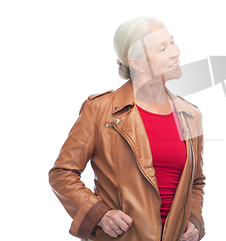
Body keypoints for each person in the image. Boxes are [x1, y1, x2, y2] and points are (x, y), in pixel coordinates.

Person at [49, 17, 205, 241]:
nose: (176, 52)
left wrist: (194, 221)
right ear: (137, 64)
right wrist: (100, 214)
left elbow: (196, 182)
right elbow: (62, 173)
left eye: (172, 42)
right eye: (163, 48)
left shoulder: (191, 115)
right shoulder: (100, 109)